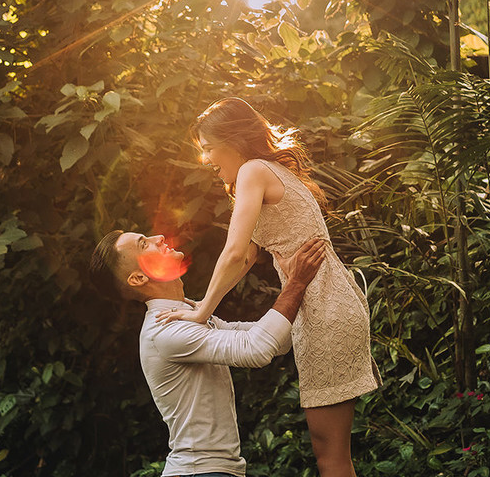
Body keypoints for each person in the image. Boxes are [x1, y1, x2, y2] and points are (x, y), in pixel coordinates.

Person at [156, 97, 380, 477]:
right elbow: (245, 259)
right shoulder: (265, 171)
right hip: (322, 304)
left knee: (330, 454)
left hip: (325, 306)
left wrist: (201, 312)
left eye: (209, 148)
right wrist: (204, 305)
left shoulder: (254, 171)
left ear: (233, 139)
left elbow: (232, 253)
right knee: (330, 451)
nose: (207, 160)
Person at [90, 230, 328, 477]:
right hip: (199, 472)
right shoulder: (165, 330)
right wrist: (296, 283)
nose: (159, 237)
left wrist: (294, 282)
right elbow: (257, 349)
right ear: (138, 278)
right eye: (144, 244)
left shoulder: (190, 312)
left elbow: (278, 341)